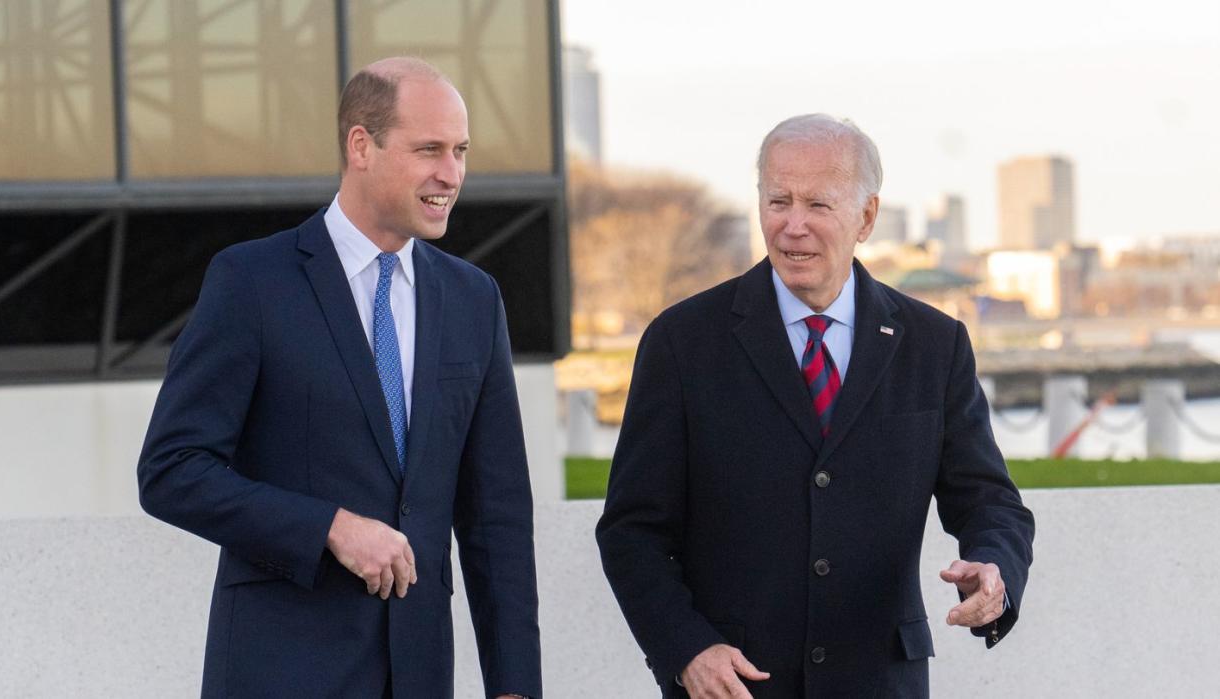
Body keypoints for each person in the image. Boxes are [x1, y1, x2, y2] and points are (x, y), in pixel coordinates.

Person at [137, 57, 540, 699]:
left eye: (461, 151)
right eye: (429, 149)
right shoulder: (252, 282)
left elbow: (498, 519)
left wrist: (514, 686)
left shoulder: (473, 299)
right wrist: (329, 526)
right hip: (278, 670)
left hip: (418, 674)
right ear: (361, 145)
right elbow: (172, 470)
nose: (452, 174)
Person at [596, 114, 1034, 698]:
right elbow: (632, 530)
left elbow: (988, 500)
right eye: (778, 201)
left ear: (867, 217)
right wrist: (687, 650)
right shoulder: (683, 342)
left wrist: (992, 569)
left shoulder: (935, 344)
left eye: (818, 205)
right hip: (737, 686)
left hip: (881, 682)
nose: (792, 226)